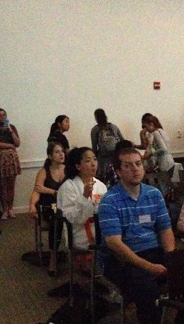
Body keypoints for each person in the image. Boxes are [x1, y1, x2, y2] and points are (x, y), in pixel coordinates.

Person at [97, 145, 184, 324]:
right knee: (149, 297)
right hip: (122, 259)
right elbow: (115, 244)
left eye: (138, 163)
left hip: (153, 253)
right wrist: (150, 268)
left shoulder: (153, 194)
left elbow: (165, 230)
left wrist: (171, 259)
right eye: (127, 165)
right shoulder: (110, 201)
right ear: (118, 171)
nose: (135, 169)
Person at [56, 147, 108, 276]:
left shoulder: (100, 185)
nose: (93, 164)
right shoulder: (68, 187)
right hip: (79, 232)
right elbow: (72, 219)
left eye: (95, 159)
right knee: (115, 245)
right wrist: (84, 197)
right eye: (88, 160)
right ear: (78, 166)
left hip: (100, 228)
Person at [29, 143, 67, 276]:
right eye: (57, 152)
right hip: (50, 206)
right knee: (56, 218)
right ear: (50, 156)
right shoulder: (44, 171)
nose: (61, 154)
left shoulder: (68, 170)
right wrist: (32, 205)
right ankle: (53, 259)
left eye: (62, 151)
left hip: (65, 205)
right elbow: (37, 191)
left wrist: (50, 190)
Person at [0, 108, 22, 219]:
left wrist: (10, 131)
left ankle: (11, 209)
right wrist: (10, 146)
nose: (2, 118)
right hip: (0, 160)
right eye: (0, 116)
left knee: (11, 186)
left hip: (11, 160)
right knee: (2, 186)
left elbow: (17, 143)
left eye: (4, 115)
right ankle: (4, 210)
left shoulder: (11, 127)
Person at [139, 113, 176, 194]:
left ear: (151, 124)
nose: (145, 129)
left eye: (146, 126)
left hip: (165, 163)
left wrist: (152, 154)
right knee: (168, 187)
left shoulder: (155, 132)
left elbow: (163, 149)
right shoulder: (162, 131)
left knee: (165, 189)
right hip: (169, 161)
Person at [90, 108, 126, 186]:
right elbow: (122, 141)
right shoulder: (113, 127)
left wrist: (94, 160)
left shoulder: (95, 130)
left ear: (96, 118)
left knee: (104, 179)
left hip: (103, 159)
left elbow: (94, 147)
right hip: (116, 157)